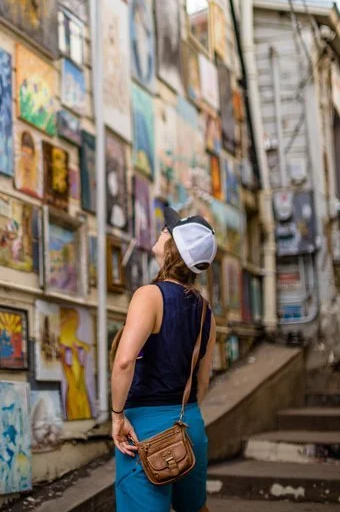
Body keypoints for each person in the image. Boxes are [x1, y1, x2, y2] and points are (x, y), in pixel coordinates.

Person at [111, 207, 217, 512]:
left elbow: (124, 361)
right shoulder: (205, 311)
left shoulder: (149, 296)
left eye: (167, 230)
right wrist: (181, 415)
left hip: (145, 430)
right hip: (189, 423)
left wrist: (117, 417)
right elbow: (202, 381)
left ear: (173, 247)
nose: (161, 231)